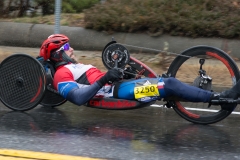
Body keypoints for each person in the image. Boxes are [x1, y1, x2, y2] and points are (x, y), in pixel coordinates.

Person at [39, 34, 239, 106]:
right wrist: (105, 79)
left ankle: (197, 93)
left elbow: (94, 78)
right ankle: (221, 99)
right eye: (65, 47)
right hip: (119, 91)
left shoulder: (74, 66)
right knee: (167, 84)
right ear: (57, 54)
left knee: (163, 82)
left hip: (119, 85)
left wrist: (116, 73)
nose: (70, 49)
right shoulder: (61, 75)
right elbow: (78, 98)